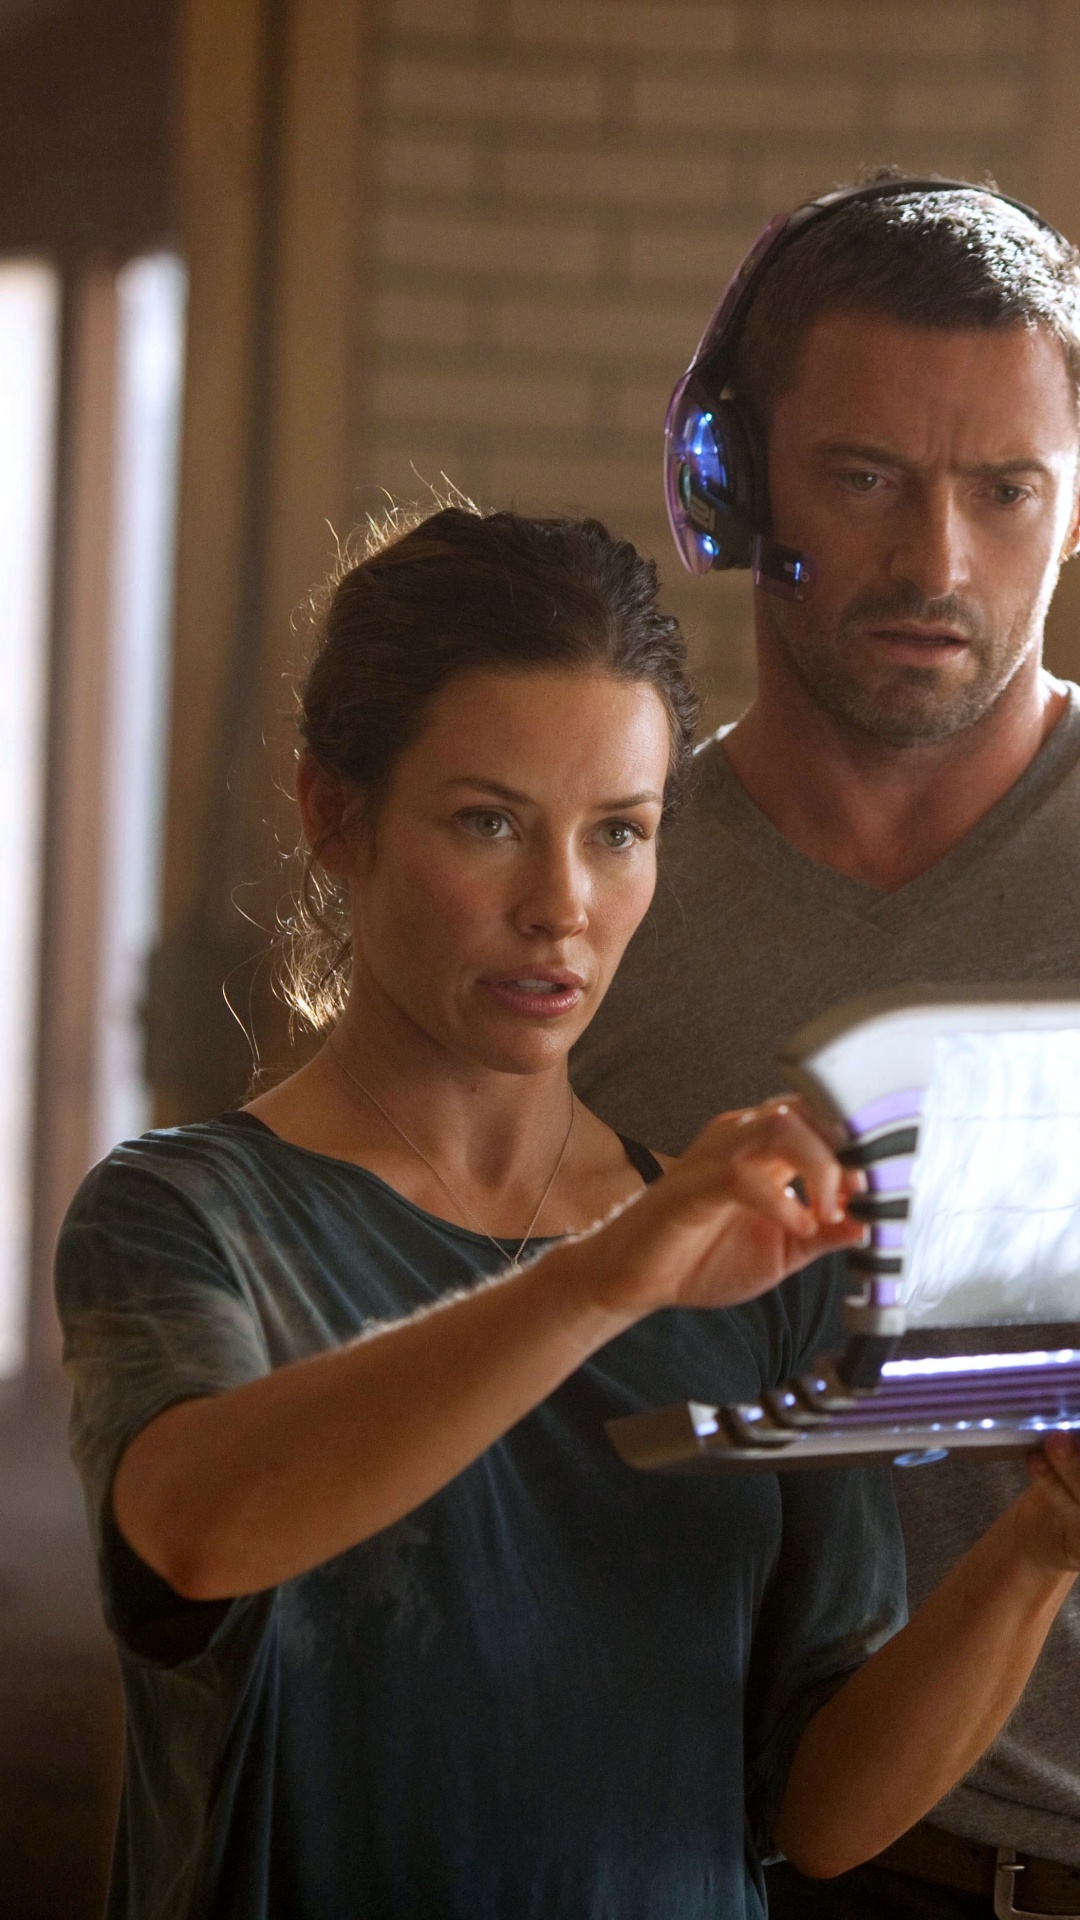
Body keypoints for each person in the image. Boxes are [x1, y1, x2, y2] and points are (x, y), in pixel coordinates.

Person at [58, 507, 1080, 1920]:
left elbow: (824, 1817)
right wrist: (605, 1279)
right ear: (334, 813)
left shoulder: (744, 1267)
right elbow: (197, 1532)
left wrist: (1038, 1549)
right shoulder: (186, 1213)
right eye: (489, 823)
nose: (562, 906)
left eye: (619, 834)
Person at [573, 173, 1080, 1918]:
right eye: (866, 478)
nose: (937, 562)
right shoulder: (586, 904)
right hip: (688, 1856)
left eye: (1005, 490)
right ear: (731, 483)